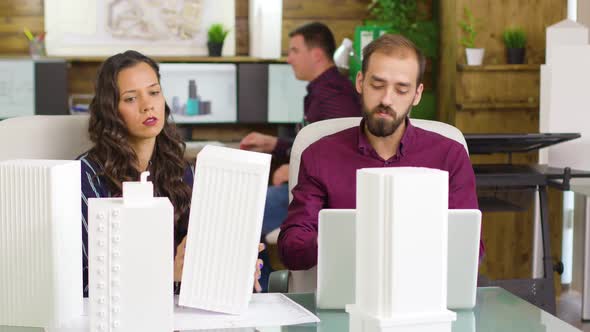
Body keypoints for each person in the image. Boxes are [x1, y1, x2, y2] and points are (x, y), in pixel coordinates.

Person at [278, 34, 483, 270]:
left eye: (401, 89)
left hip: (425, 296)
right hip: (345, 299)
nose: (386, 99)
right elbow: (291, 249)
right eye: (377, 85)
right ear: (360, 82)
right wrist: (340, 238)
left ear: (417, 94)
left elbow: (470, 251)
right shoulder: (319, 154)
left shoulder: (450, 155)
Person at [78, 50, 263, 297]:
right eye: (131, 98)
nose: (147, 106)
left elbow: (201, 266)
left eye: (154, 92)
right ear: (110, 109)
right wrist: (167, 274)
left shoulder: (184, 172)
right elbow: (82, 286)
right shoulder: (84, 179)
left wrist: (232, 270)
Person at [240, 22, 361, 291]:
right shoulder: (324, 91)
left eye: (294, 50)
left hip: (317, 194)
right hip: (305, 184)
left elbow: (335, 156)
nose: (288, 58)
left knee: (244, 210)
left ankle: (260, 291)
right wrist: (275, 143)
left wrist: (294, 169)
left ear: (316, 54)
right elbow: (313, 140)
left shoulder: (334, 97)